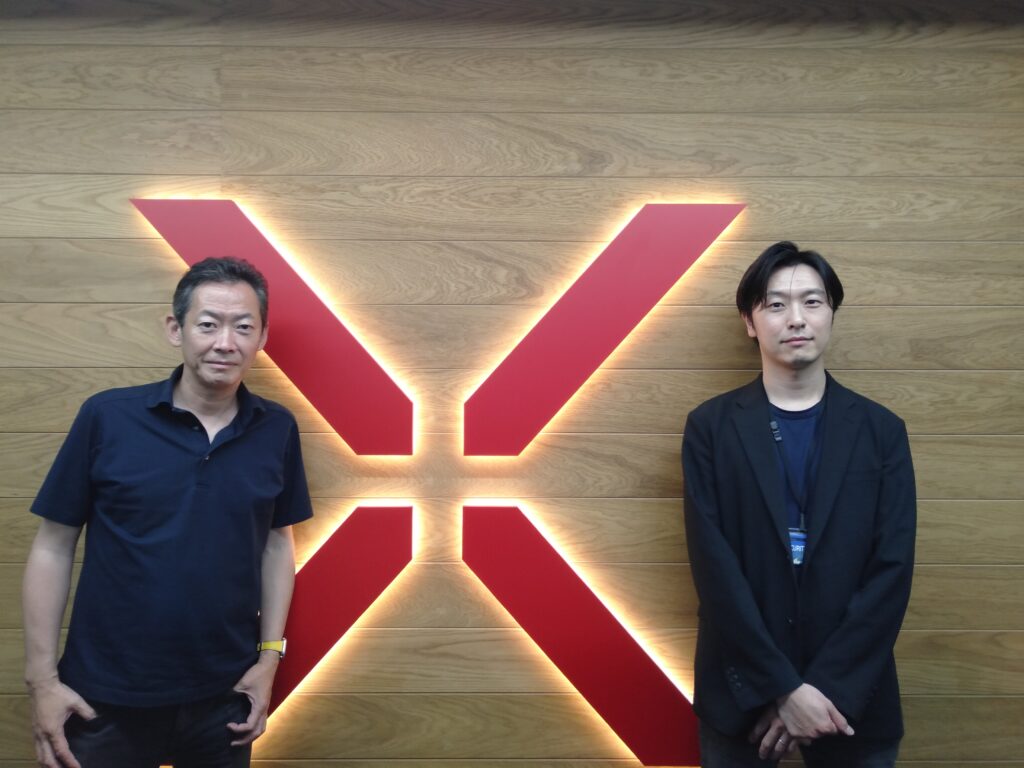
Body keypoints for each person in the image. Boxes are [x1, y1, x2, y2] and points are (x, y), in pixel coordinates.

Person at [22, 257, 313, 768]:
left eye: (244, 327)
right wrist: (42, 681)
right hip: (102, 698)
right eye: (208, 324)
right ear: (176, 329)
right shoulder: (107, 417)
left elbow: (275, 542)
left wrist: (270, 657)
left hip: (225, 698)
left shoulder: (277, 428)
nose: (225, 342)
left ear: (262, 337)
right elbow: (53, 545)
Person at [682, 242, 916, 767]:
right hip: (741, 698)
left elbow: (891, 570)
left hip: (853, 698)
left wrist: (823, 692)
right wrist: (782, 689)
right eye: (775, 304)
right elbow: (714, 571)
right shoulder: (710, 428)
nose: (796, 318)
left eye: (812, 301)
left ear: (831, 313)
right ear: (750, 322)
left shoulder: (881, 431)